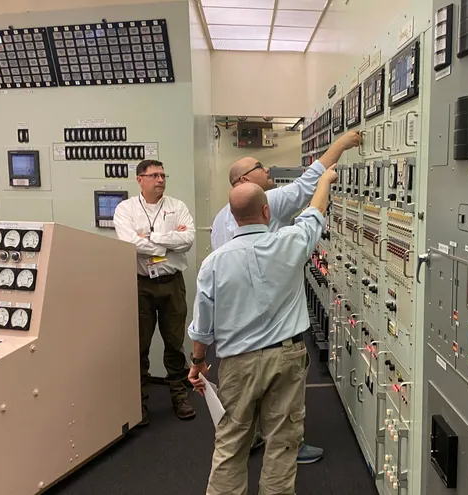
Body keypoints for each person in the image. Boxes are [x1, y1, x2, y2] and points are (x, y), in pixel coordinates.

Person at [209, 129, 361, 463]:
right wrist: (341, 145)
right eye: (262, 167)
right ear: (246, 180)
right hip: (273, 329)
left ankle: (249, 439)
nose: (269, 172)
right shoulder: (269, 200)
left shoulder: (223, 218)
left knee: (241, 404)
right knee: (281, 395)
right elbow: (309, 187)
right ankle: (288, 445)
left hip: (235, 333)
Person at [187, 168, 338, 495]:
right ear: (267, 212)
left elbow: (202, 326)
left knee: (231, 443)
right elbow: (315, 211)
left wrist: (197, 362)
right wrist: (325, 179)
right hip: (287, 357)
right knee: (283, 443)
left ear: (232, 217)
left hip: (237, 362)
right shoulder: (291, 242)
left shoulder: (213, 263)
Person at [114, 159, 196, 425]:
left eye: (163, 175)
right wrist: (167, 241)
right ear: (140, 179)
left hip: (172, 282)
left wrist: (150, 239)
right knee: (140, 344)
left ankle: (179, 396)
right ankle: (140, 402)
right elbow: (129, 242)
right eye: (154, 175)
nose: (160, 180)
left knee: (174, 342)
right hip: (141, 285)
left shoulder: (177, 206)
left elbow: (188, 239)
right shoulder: (125, 209)